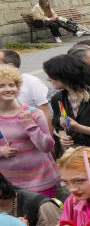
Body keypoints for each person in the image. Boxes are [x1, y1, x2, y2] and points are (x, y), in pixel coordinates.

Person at [0, 65, 58, 197]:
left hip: (40, 180)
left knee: (45, 217)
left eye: (12, 85)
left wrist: (29, 123)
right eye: (1, 86)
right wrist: (1, 151)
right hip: (6, 185)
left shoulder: (34, 113)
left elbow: (47, 146)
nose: (8, 89)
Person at [43, 54, 90, 155]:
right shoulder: (58, 99)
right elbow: (59, 127)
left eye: (51, 75)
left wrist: (79, 128)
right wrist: (63, 136)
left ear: (64, 75)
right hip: (77, 157)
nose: (47, 78)